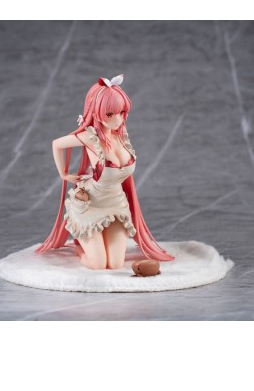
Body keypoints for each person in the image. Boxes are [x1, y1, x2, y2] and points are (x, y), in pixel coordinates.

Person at [35, 74, 175, 269]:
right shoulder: (90, 137)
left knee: (115, 264)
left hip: (116, 204)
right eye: (110, 114)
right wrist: (64, 174)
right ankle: (79, 249)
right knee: (99, 264)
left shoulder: (121, 136)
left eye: (122, 112)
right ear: (96, 112)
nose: (118, 119)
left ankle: (96, 244)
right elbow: (57, 144)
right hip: (91, 205)